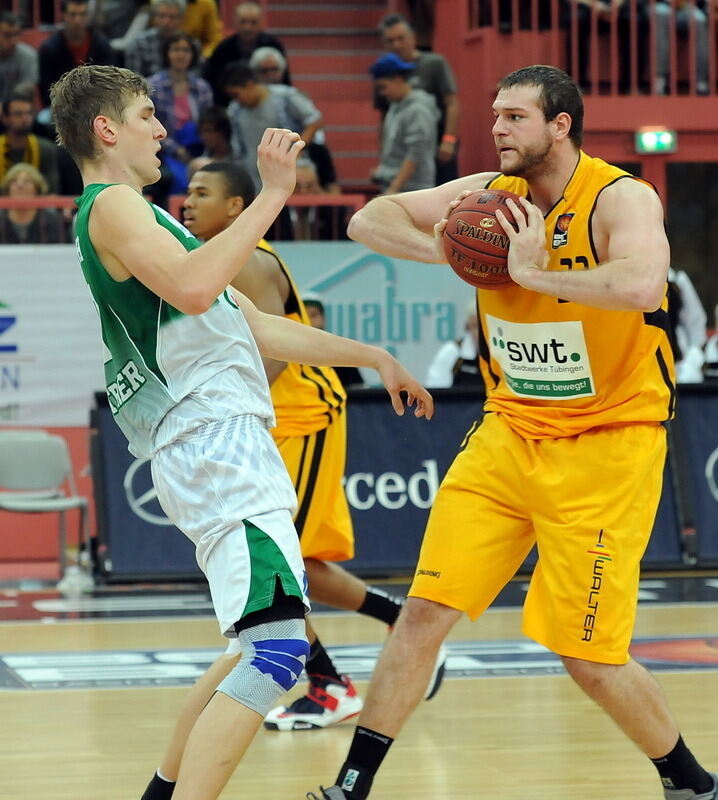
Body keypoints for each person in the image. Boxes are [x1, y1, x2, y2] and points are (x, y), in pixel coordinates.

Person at [308, 64, 718, 800]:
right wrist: (465, 252)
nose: (497, 128)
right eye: (494, 115)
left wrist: (532, 275)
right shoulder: (489, 197)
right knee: (423, 612)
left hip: (608, 444)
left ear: (561, 125)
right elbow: (368, 220)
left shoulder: (620, 196)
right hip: (510, 431)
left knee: (587, 657)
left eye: (515, 117)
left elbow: (640, 286)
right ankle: (350, 787)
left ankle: (690, 781)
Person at [49, 62, 432, 800]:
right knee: (280, 654)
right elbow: (196, 290)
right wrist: (276, 195)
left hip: (220, 442)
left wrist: (374, 357)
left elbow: (255, 326)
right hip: (214, 443)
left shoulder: (145, 216)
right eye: (143, 116)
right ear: (105, 129)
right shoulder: (112, 207)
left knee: (252, 647)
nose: (161, 129)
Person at [138, 162, 444, 797]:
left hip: (294, 413)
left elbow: (271, 350)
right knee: (273, 601)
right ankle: (377, 635)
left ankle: (333, 678)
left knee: (284, 580)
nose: (188, 203)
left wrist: (231, 421)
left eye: (203, 193)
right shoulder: (209, 256)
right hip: (254, 424)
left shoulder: (247, 258)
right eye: (186, 192)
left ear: (237, 205)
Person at [377, 13, 460, 184]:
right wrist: (383, 156)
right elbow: (383, 116)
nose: (396, 45)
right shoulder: (383, 71)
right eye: (390, 41)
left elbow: (452, 103)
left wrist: (449, 139)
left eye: (401, 38)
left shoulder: (433, 64)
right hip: (401, 149)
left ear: (413, 37)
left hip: (437, 144)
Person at [222, 61, 323, 193]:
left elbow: (314, 120)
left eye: (236, 94)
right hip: (253, 170)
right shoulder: (235, 109)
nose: (236, 99)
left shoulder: (284, 97)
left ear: (249, 85)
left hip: (288, 166)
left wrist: (297, 149)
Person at [148, 31, 213, 193]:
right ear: (167, 53)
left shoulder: (202, 87)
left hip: (197, 148)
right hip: (162, 149)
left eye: (186, 50)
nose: (181, 55)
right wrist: (177, 150)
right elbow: (149, 125)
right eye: (176, 49)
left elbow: (209, 124)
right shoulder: (153, 85)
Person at [369, 52, 438, 194]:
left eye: (383, 87)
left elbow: (415, 153)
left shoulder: (417, 109)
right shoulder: (395, 107)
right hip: (398, 185)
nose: (382, 93)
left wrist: (394, 188)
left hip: (413, 189)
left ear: (398, 80)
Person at [204, 1, 290, 106]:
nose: (247, 28)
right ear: (235, 22)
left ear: (260, 23)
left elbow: (285, 80)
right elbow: (214, 83)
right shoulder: (223, 49)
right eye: (243, 22)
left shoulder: (273, 45)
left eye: (253, 22)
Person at [38, 0, 115, 108]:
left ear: (88, 16)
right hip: (61, 106)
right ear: (64, 15)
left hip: (96, 104)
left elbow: (108, 82)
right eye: (73, 14)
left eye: (82, 14)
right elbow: (47, 90)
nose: (78, 20)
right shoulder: (50, 48)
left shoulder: (101, 45)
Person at [0, 88, 60, 193]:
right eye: (18, 114)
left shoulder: (46, 149)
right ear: (5, 118)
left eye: (28, 113)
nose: (25, 118)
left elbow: (52, 191)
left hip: (39, 207)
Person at [303, 294, 364, 387]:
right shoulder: (286, 356)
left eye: (313, 315)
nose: (309, 321)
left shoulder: (341, 354)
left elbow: (358, 392)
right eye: (304, 316)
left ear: (323, 319)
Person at [651, 0, 709, 95]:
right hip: (662, 5)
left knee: (700, 19)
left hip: (687, 6)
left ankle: (701, 82)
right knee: (659, 14)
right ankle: (660, 80)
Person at [0, 162, 65, 243]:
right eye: (14, 181)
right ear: (7, 189)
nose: (20, 185)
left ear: (37, 189)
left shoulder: (51, 219)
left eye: (27, 181)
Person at [125, 0, 190, 78]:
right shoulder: (138, 43)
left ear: (181, 19)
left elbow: (195, 77)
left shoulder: (190, 45)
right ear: (154, 18)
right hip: (147, 88)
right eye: (162, 16)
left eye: (172, 17)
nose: (166, 21)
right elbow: (133, 80)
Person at [424, 302, 481, 388]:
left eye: (484, 326)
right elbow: (435, 390)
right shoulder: (451, 351)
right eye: (476, 326)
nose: (481, 332)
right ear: (467, 326)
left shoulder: (503, 352)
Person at [0, 11, 39, 101]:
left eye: (16, 34)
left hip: (17, 109)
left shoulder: (28, 55)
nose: (13, 41)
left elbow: (28, 90)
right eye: (7, 35)